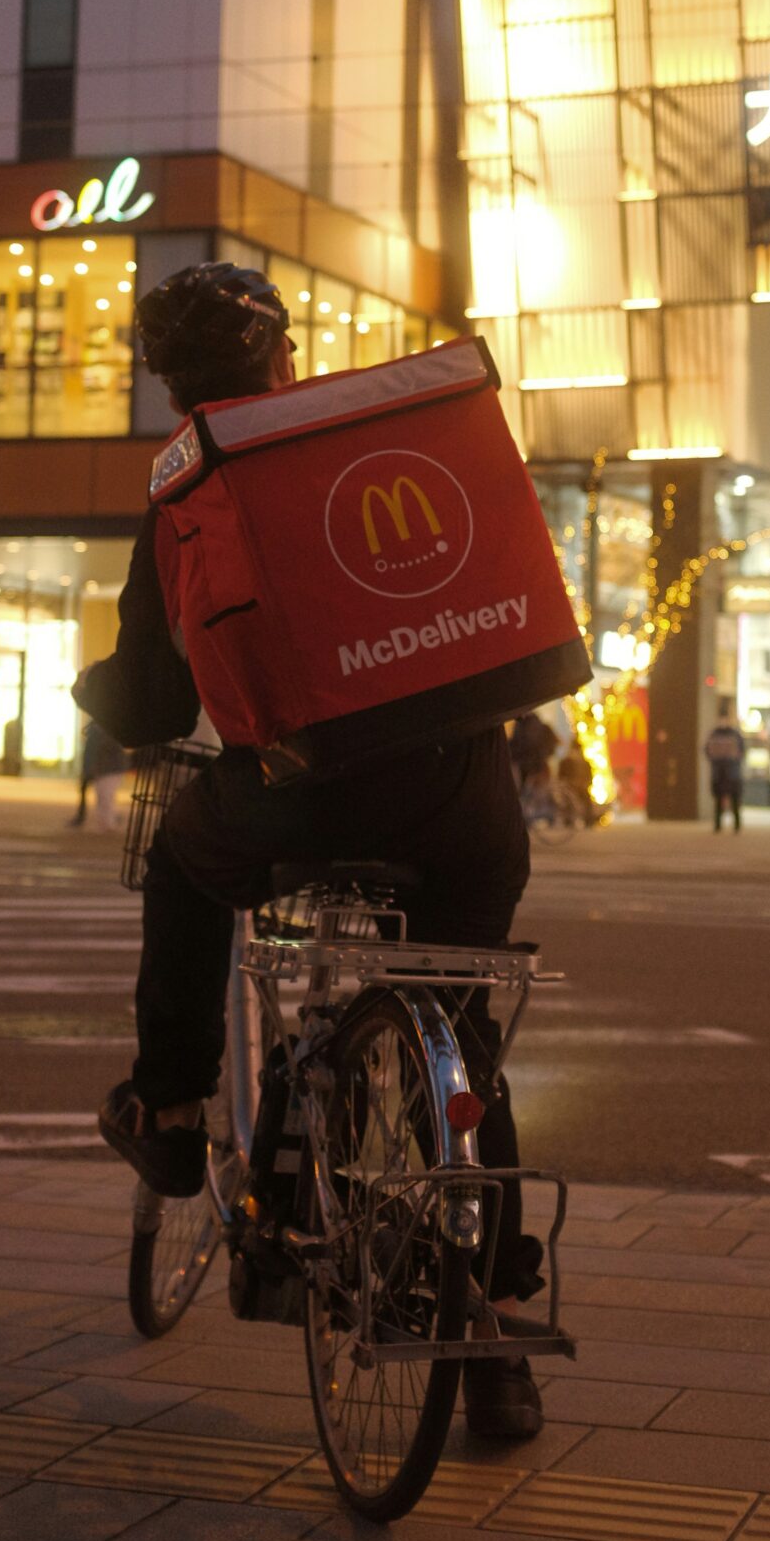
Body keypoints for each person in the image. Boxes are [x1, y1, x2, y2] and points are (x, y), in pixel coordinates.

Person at [83, 261, 545, 1441]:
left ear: (172, 386)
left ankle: (178, 1113)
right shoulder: (371, 439)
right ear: (286, 357)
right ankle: (490, 1329)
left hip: (297, 799)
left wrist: (105, 690)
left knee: (185, 861)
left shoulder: (196, 477)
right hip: (462, 803)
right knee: (459, 1041)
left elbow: (146, 698)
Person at [71, 709, 128, 829]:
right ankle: (105, 822)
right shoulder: (99, 729)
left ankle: (108, 822)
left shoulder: (105, 730)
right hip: (105, 769)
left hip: (109, 769)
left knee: (105, 796)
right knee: (103, 796)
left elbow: (101, 750)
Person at [704, 700, 745, 833]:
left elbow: (742, 750)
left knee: (734, 799)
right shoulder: (714, 733)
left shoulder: (734, 734)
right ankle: (717, 824)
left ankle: (737, 825)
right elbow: (707, 750)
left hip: (732, 772)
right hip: (719, 772)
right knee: (718, 800)